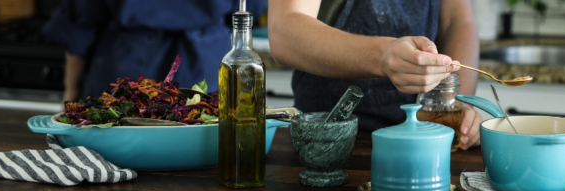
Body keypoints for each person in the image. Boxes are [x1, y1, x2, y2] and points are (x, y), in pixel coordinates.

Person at [266, 0, 483, 149]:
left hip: (427, 142)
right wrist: (382, 56)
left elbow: (457, 21)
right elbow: (283, 31)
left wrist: (458, 101)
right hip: (328, 143)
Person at [43, 0, 266, 102]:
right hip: (206, 57)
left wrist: (71, 89)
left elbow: (81, 21)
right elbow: (250, 7)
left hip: (125, 59)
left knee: (109, 159)